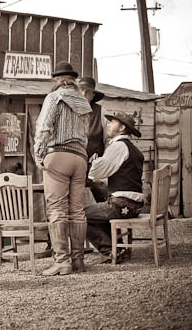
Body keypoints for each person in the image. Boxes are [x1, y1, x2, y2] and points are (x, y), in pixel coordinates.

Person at [34, 62, 92, 275]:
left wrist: (38, 154)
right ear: (74, 80)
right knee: (77, 210)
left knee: (57, 209)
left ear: (56, 80)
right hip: (80, 157)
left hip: (58, 154)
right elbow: (86, 134)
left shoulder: (54, 97)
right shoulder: (84, 103)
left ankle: (62, 261)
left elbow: (44, 127)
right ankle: (78, 261)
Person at [85, 112, 144, 263]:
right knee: (98, 209)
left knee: (78, 215)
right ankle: (118, 249)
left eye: (112, 122)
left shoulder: (118, 146)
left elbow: (97, 172)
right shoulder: (133, 149)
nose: (109, 125)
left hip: (122, 206)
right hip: (134, 206)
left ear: (122, 127)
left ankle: (110, 251)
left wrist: (92, 165)